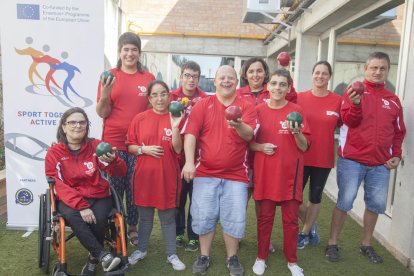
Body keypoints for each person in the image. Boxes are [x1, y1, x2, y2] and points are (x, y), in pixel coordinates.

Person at [325, 52, 406, 264]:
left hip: (381, 163)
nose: (378, 72)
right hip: (352, 160)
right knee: (345, 201)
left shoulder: (393, 100)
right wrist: (356, 103)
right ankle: (332, 243)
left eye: (382, 68)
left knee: (376, 205)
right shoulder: (352, 92)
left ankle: (366, 244)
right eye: (374, 68)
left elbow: (398, 132)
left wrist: (396, 155)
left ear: (388, 71)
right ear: (366, 69)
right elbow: (348, 121)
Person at [182, 65, 257, 275]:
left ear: (237, 82)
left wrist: (238, 124)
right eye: (221, 77)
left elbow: (250, 135)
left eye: (230, 77)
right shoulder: (202, 105)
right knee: (204, 216)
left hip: (236, 175)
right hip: (205, 173)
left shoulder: (246, 105)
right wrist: (189, 162)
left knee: (234, 218)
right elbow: (190, 135)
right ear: (214, 82)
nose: (226, 81)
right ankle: (204, 255)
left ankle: (232, 258)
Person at [45, 107, 127, 275]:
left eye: (82, 122)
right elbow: (59, 184)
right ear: (64, 126)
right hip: (70, 199)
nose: (78, 126)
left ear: (87, 126)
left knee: (98, 219)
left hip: (99, 195)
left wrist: (114, 161)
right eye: (72, 122)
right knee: (74, 216)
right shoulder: (54, 153)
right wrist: (81, 205)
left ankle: (92, 259)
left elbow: (120, 172)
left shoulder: (97, 146)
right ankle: (102, 255)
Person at [96, 32, 156, 247]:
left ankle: (132, 227)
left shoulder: (148, 78)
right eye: (126, 49)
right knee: (113, 187)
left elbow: (152, 112)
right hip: (112, 144)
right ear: (120, 52)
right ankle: (112, 226)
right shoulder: (109, 76)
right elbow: (102, 112)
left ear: (139, 53)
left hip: (137, 145)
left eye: (134, 49)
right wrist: (105, 93)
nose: (130, 53)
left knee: (134, 188)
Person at [250, 69, 310, 276]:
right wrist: (259, 147)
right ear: (267, 86)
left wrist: (297, 133)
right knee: (264, 218)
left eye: (282, 84)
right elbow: (247, 142)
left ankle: (292, 262)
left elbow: (304, 146)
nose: (277, 88)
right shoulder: (258, 110)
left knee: (291, 221)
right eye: (274, 83)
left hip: (290, 177)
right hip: (266, 175)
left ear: (288, 88)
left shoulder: (296, 111)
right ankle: (261, 257)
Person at [126, 80, 186, 271]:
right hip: (144, 177)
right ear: (149, 98)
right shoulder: (140, 118)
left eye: (163, 94)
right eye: (155, 95)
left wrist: (175, 126)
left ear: (170, 96)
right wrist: (144, 149)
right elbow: (130, 147)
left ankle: (171, 254)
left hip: (168, 177)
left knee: (168, 218)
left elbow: (178, 149)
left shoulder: (177, 117)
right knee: (145, 218)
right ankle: (141, 249)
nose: (160, 98)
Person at [296, 61, 342, 249]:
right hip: (300, 154)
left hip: (323, 157)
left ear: (329, 76)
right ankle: (311, 223)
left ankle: (305, 232)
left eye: (324, 73)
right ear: (312, 74)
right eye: (317, 72)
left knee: (315, 196)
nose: (320, 76)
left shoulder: (338, 101)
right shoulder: (299, 98)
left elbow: (348, 124)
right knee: (293, 197)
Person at [171, 61, 208, 252]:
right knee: (178, 198)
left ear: (199, 78)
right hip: (176, 157)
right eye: (187, 75)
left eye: (194, 76)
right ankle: (178, 233)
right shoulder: (171, 98)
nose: (191, 79)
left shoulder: (205, 99)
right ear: (181, 77)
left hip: (198, 158)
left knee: (197, 199)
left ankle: (193, 236)